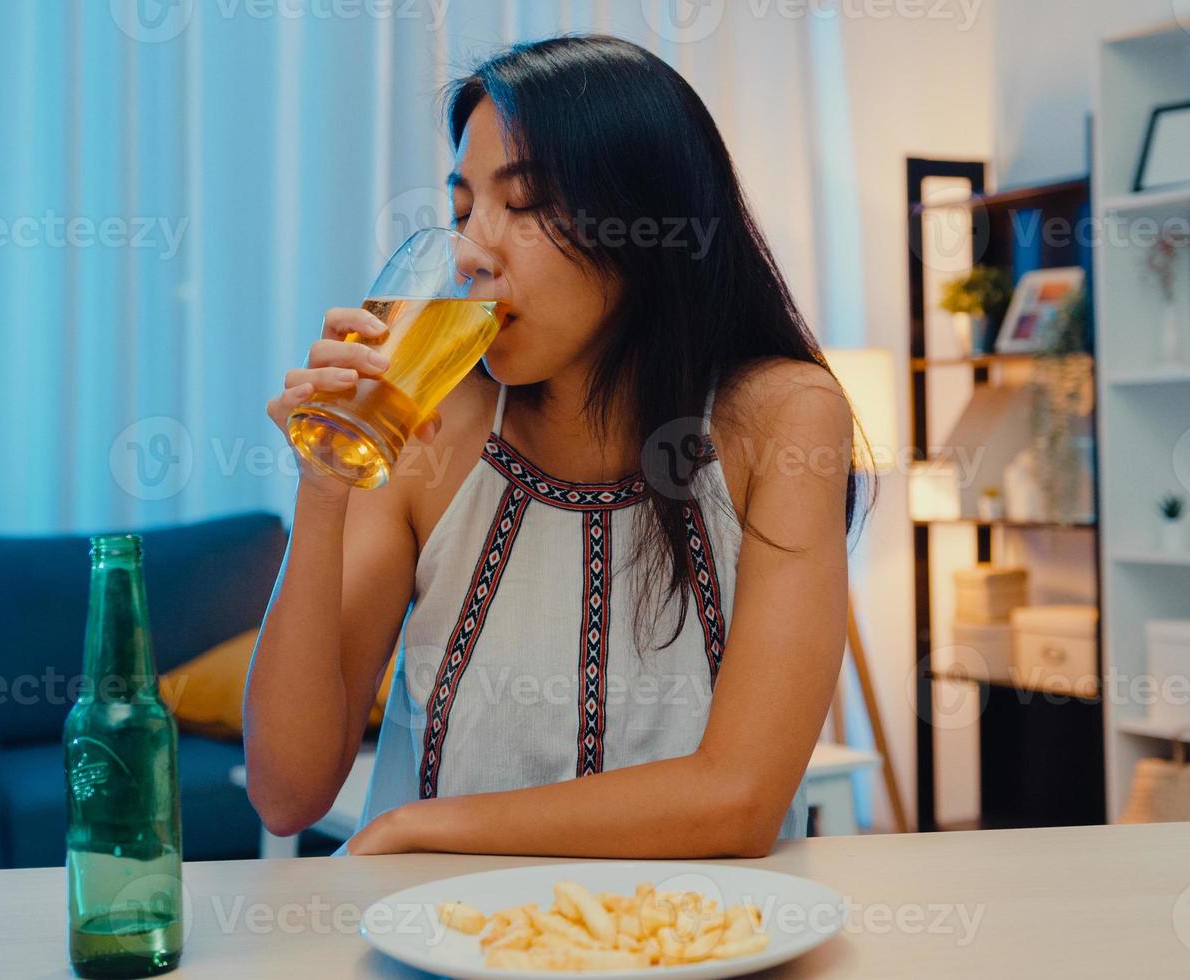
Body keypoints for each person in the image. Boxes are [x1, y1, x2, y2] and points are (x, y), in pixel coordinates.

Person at [244, 34, 871, 859]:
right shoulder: (432, 421)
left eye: (528, 202)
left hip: (685, 941)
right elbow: (288, 793)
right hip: (438, 933)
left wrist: (417, 825)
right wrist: (322, 489)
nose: (475, 253)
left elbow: (739, 797)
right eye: (464, 210)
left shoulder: (782, 417)